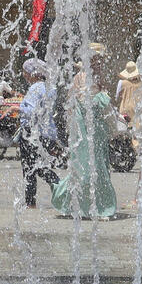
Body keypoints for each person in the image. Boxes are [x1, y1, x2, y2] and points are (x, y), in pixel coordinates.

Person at [52, 47, 119, 219]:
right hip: (86, 129)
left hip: (94, 129)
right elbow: (81, 101)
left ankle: (89, 205)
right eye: (97, 60)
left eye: (100, 60)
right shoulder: (82, 77)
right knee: (88, 165)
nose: (100, 63)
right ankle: (91, 206)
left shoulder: (93, 77)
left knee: (94, 165)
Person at [11, 58, 60, 208]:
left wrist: (16, 108)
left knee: (29, 167)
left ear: (33, 73)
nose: (24, 75)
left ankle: (33, 200)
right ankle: (58, 186)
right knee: (37, 164)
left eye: (26, 71)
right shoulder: (49, 87)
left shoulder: (35, 88)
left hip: (32, 132)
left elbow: (32, 111)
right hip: (45, 132)